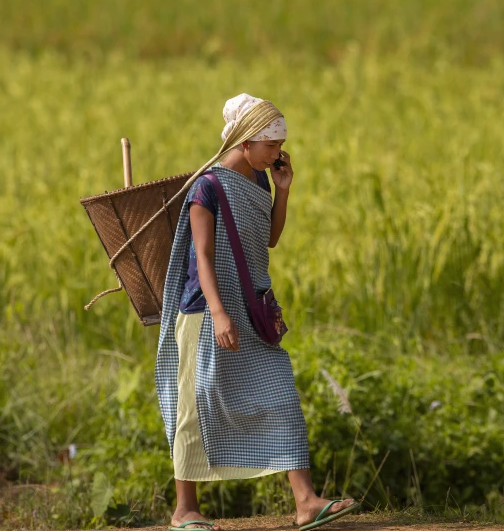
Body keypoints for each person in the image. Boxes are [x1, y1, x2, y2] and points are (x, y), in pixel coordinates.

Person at [155, 94, 359, 531]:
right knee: (195, 403)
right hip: (206, 312)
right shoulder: (206, 187)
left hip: (252, 309)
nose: (279, 152)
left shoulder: (260, 181)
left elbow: (269, 239)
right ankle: (184, 510)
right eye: (271, 144)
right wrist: (220, 313)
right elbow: (203, 256)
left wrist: (283, 191)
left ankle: (306, 502)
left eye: (280, 143)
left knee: (281, 394)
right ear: (245, 141)